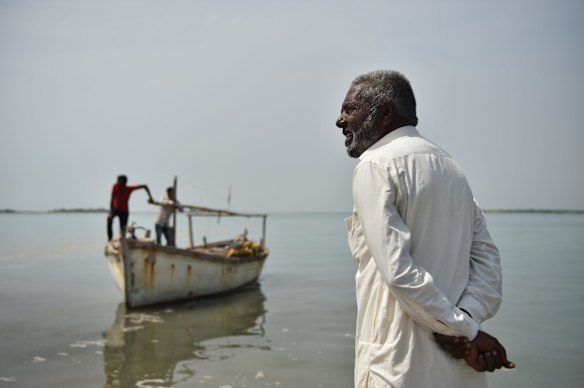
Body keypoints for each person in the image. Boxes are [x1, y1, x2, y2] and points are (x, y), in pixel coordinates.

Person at [336, 70, 514, 387]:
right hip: (459, 371)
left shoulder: (375, 164)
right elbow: (489, 266)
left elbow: (397, 271)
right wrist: (468, 321)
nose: (340, 120)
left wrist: (464, 329)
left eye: (349, 109)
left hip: (396, 368)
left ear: (385, 112)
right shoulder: (451, 168)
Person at [107, 175, 152, 240]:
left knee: (123, 228)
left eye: (119, 182)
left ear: (124, 183)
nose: (117, 183)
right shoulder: (115, 187)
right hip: (116, 209)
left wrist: (150, 197)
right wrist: (111, 212)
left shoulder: (129, 189)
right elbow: (112, 199)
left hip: (124, 211)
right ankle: (110, 239)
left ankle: (123, 240)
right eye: (117, 181)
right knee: (109, 219)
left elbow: (145, 186)